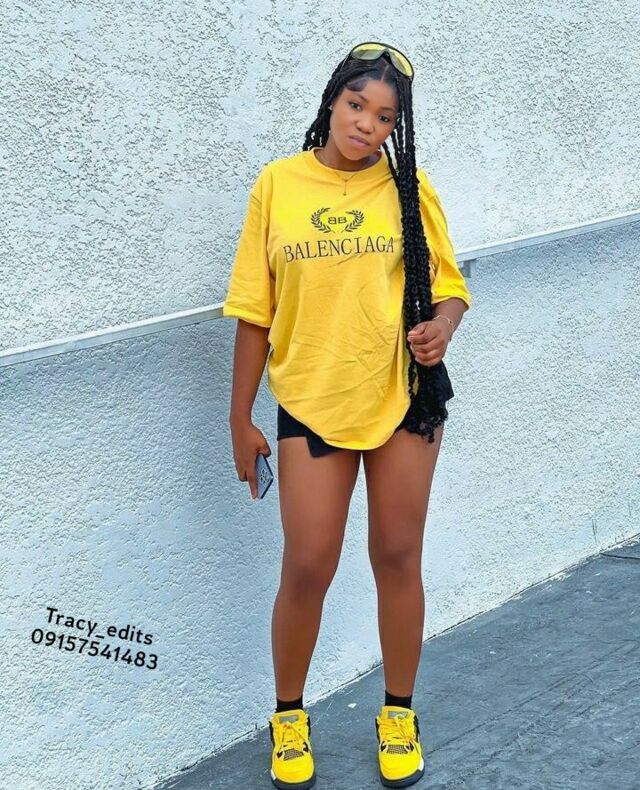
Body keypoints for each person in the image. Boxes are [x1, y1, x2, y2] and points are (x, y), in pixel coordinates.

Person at [223, 41, 472, 790]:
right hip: (311, 399)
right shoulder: (278, 185)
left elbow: (451, 285)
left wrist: (443, 326)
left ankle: (398, 714)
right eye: (357, 105)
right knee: (308, 563)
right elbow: (254, 310)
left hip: (402, 397)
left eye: (385, 116)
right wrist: (240, 418)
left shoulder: (407, 189)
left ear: (396, 127)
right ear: (333, 101)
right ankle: (289, 719)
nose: (367, 124)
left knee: (397, 555)